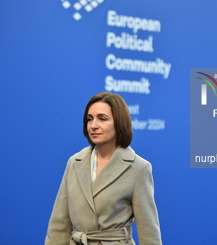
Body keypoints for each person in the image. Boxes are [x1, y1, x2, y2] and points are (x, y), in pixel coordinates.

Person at [45, 92, 162, 245]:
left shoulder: (138, 168)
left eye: (102, 118)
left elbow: (149, 232)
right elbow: (59, 224)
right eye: (89, 119)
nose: (93, 125)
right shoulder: (74, 162)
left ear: (119, 123)